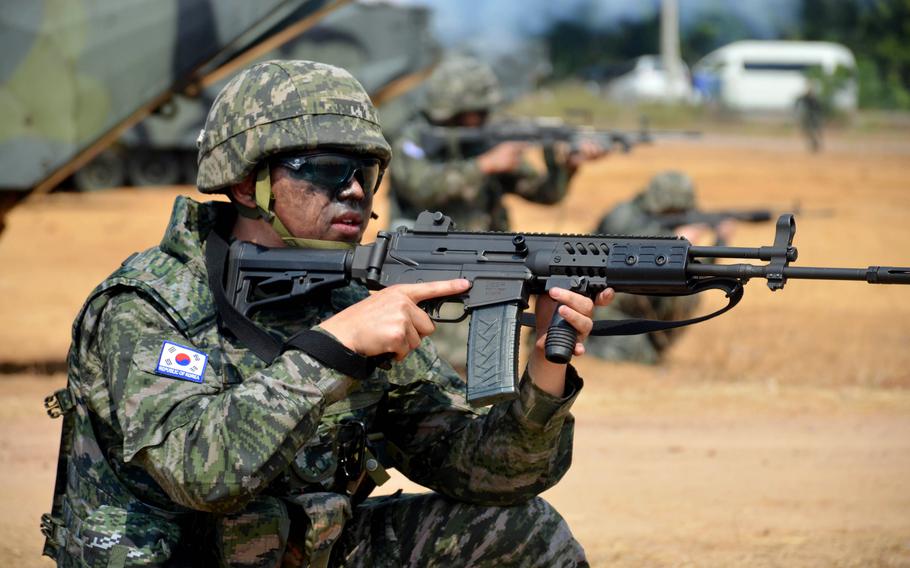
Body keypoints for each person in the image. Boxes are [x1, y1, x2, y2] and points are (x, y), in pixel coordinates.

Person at [40, 60, 613, 567]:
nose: (355, 192)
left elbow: (481, 470)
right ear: (246, 183)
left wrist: (543, 375)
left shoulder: (353, 294)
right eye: (325, 169)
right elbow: (202, 474)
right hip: (179, 555)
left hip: (308, 549)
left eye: (365, 173)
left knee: (523, 532)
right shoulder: (147, 304)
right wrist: (333, 350)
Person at [387, 54, 605, 370]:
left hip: (484, 266)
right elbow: (419, 186)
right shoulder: (414, 139)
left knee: (478, 364)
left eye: (482, 112)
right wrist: (485, 165)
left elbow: (544, 193)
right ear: (448, 108)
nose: (479, 119)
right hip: (426, 264)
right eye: (472, 112)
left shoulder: (487, 142)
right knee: (425, 360)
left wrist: (564, 166)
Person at [585, 171, 730, 365]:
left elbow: (695, 274)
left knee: (688, 292)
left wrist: (720, 240)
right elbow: (632, 252)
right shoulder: (624, 215)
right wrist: (674, 240)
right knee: (639, 352)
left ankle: (653, 344)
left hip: (629, 298)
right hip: (603, 298)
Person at [795, 85, 824, 153]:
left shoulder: (814, 99)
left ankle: (815, 145)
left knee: (815, 132)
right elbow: (798, 103)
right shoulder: (805, 98)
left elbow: (818, 108)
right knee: (808, 132)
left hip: (813, 117)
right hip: (807, 118)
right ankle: (813, 145)